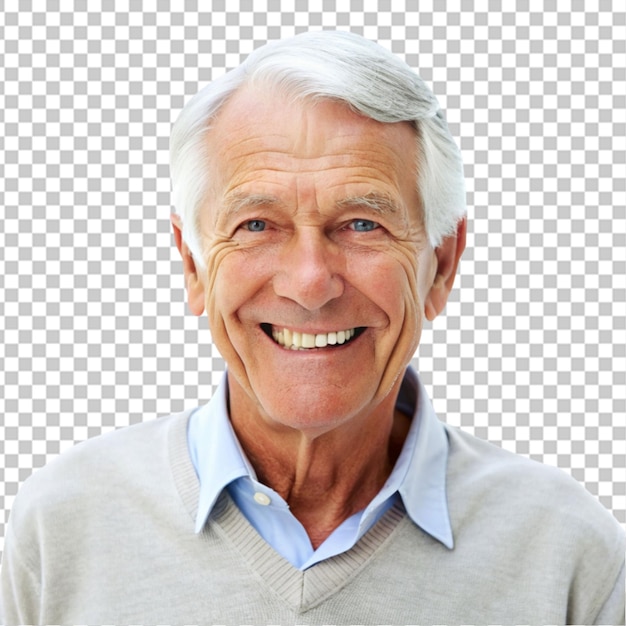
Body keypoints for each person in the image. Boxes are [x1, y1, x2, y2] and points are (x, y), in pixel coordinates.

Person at [1, 30, 624, 625]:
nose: (308, 281)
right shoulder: (60, 529)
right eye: (256, 225)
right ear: (193, 264)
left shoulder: (569, 553)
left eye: (361, 224)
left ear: (441, 264)